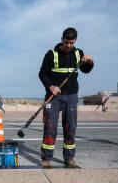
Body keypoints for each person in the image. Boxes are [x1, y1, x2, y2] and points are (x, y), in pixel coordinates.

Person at [38, 27, 94, 168]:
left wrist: (89, 62)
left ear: (75, 41)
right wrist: (50, 86)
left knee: (70, 127)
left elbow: (86, 70)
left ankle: (69, 158)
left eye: (72, 43)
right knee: (50, 127)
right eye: (66, 42)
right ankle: (46, 158)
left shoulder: (78, 53)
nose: (69, 45)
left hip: (72, 97)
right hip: (54, 97)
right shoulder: (51, 54)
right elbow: (42, 73)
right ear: (61, 39)